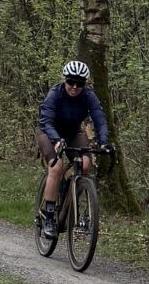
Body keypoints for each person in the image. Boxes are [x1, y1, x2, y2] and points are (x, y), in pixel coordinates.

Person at [38, 59, 108, 239]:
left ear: (85, 83)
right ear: (64, 79)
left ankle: (74, 201)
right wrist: (56, 140)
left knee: (85, 164)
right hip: (49, 132)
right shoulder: (55, 94)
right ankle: (49, 216)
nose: (75, 87)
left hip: (73, 132)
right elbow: (46, 120)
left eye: (80, 83)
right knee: (56, 167)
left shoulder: (89, 96)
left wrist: (104, 142)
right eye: (71, 82)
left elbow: (99, 119)